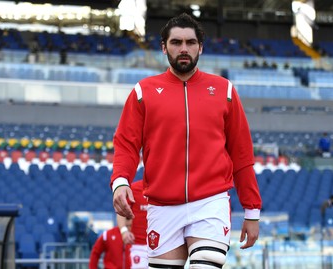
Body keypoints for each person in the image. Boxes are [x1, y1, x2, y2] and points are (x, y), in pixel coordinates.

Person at [111, 13, 262, 269]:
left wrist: (252, 211)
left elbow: (242, 154)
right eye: (176, 42)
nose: (184, 48)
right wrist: (120, 181)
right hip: (161, 205)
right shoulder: (142, 92)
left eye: (190, 42)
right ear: (164, 47)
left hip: (210, 202)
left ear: (200, 47)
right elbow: (126, 143)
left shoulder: (224, 91)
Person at [117, 180, 148, 269]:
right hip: (139, 245)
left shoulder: (164, 188)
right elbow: (121, 211)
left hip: (162, 245)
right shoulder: (134, 189)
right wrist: (124, 231)